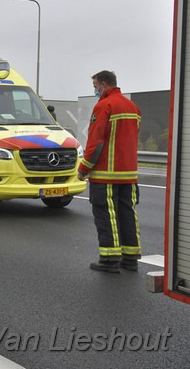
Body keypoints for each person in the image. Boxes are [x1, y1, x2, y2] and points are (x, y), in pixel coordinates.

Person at [78, 70, 142, 273]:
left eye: (96, 86)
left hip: (106, 174)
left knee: (106, 215)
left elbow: (95, 143)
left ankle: (109, 259)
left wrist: (83, 168)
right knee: (127, 214)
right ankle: (130, 258)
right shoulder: (133, 108)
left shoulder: (104, 106)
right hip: (129, 174)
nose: (95, 90)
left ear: (104, 85)